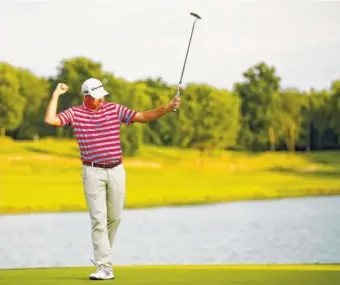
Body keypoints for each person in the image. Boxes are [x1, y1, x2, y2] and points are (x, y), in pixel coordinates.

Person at [44, 78, 180, 280]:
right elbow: (50, 120)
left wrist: (167, 108)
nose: (100, 101)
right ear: (87, 96)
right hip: (92, 172)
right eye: (97, 98)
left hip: (116, 169)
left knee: (115, 217)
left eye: (102, 97)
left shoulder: (113, 109)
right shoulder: (75, 113)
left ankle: (102, 255)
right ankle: (104, 266)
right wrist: (55, 94)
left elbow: (142, 116)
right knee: (98, 220)